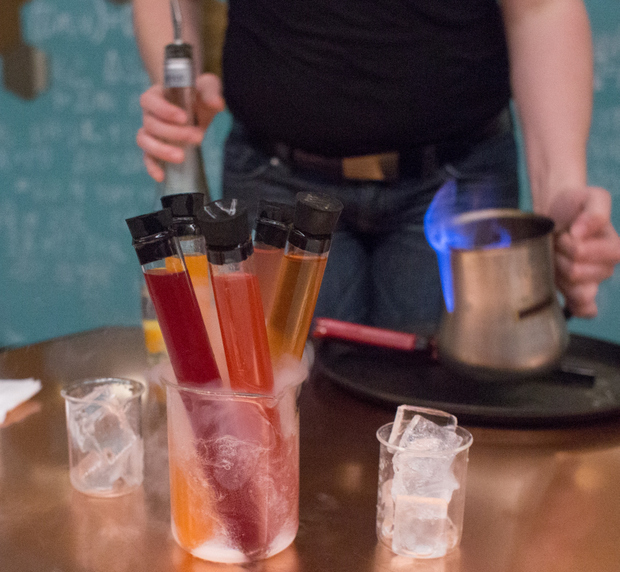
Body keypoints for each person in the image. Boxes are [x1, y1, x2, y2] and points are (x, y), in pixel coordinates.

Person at [132, 0, 620, 335]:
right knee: (284, 417)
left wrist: (561, 193)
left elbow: (541, 9)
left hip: (458, 181)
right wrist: (179, 92)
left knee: (445, 422)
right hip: (275, 180)